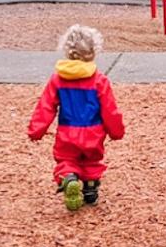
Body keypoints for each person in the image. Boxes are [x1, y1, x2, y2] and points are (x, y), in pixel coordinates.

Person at [27, 25, 125, 211]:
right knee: (91, 161)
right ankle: (90, 190)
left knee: (66, 159)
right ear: (94, 51)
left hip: (67, 131)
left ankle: (69, 177)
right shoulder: (99, 80)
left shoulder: (58, 79)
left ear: (67, 50)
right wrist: (116, 131)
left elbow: (46, 106)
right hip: (93, 131)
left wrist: (36, 130)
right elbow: (110, 110)